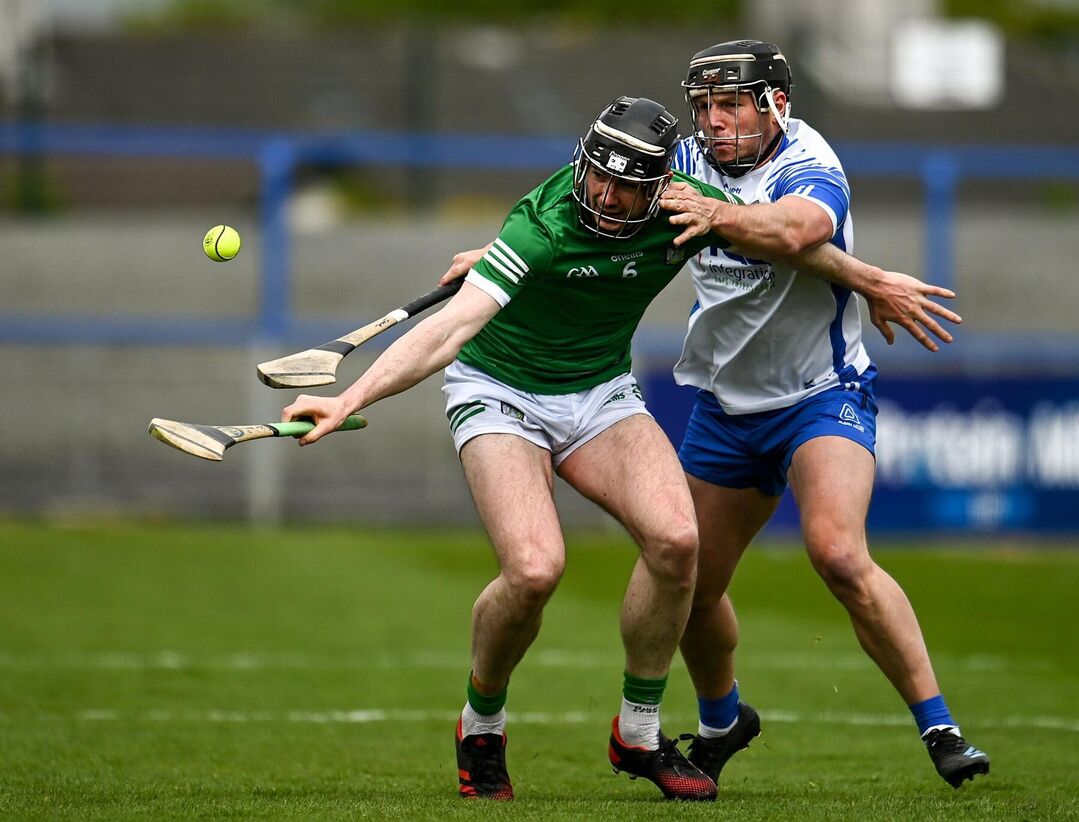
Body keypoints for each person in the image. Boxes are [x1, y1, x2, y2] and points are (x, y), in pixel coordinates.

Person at [281, 96, 736, 802]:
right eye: (596, 177)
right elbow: (450, 329)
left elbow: (790, 237)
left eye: (626, 188)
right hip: (500, 389)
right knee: (532, 570)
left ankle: (640, 735)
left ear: (659, 188)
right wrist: (347, 401)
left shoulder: (690, 211)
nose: (606, 198)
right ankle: (482, 724)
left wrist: (870, 280)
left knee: (678, 540)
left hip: (599, 391)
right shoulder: (542, 226)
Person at [654, 39, 991, 789]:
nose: (714, 121)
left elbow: (795, 233)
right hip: (724, 404)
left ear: (778, 105)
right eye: (704, 105)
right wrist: (497, 257)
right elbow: (597, 212)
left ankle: (940, 727)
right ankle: (722, 720)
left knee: (838, 552)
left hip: (820, 393)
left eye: (732, 103)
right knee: (691, 586)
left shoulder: (811, 160)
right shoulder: (682, 160)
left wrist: (714, 212)